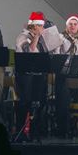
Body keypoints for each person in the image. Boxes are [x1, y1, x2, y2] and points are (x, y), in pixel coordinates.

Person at [53, 14, 78, 137]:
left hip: (77, 75)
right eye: (70, 24)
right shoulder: (60, 37)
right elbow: (57, 54)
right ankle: (63, 128)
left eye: (75, 24)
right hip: (63, 73)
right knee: (62, 100)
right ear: (66, 26)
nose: (73, 26)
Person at [15, 11, 49, 141]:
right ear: (35, 26)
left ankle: (36, 131)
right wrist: (36, 37)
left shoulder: (41, 39)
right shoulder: (22, 37)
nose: (43, 29)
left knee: (39, 103)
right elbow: (29, 51)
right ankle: (21, 132)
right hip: (26, 77)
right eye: (41, 26)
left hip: (38, 76)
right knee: (25, 104)